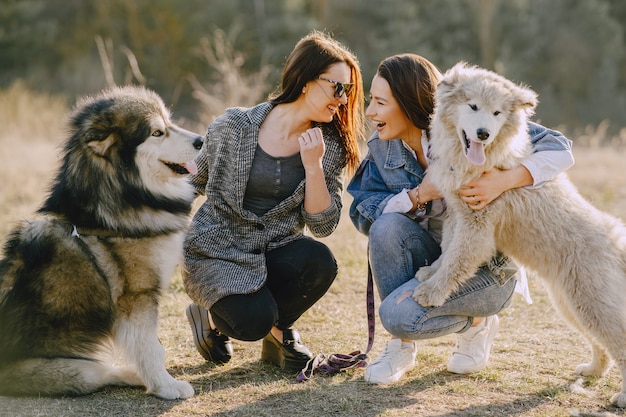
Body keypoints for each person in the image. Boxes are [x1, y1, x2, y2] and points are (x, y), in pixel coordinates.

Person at [347, 53, 574, 384]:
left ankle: (478, 324)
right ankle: (401, 345)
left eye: (380, 102)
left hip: (489, 269)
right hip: (435, 260)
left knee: (399, 316)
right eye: (371, 101)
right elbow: (362, 213)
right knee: (386, 228)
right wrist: (418, 195)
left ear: (409, 104)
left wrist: (505, 179)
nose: (370, 112)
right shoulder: (383, 149)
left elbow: (562, 149)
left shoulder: (470, 117)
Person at [182, 30, 365, 372]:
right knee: (251, 322)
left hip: (273, 251)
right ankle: (210, 315)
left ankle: (279, 332)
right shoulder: (234, 125)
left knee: (319, 262)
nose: (343, 98)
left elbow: (323, 225)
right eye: (338, 86)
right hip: (216, 252)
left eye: (349, 90)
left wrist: (313, 166)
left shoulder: (330, 146)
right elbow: (190, 183)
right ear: (306, 80)